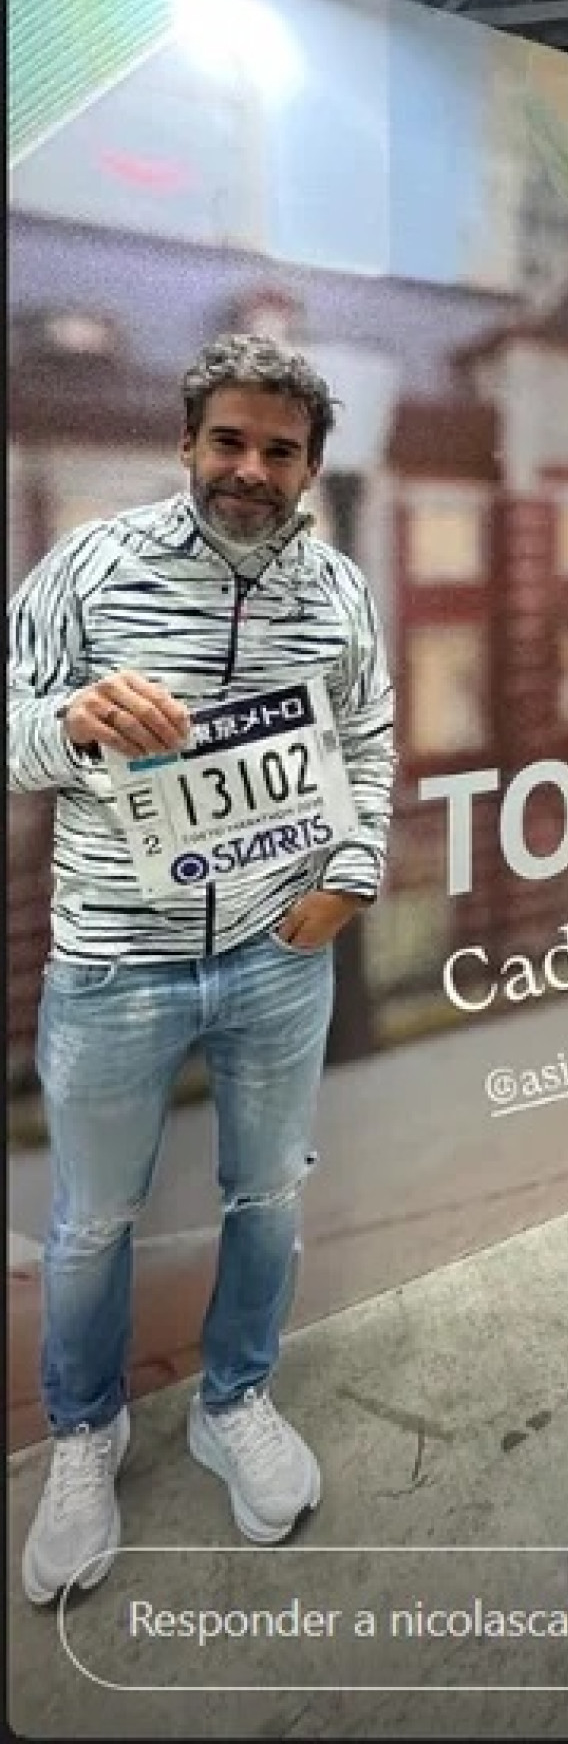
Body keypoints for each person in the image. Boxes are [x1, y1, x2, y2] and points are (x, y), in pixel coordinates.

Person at [8, 335, 396, 1605]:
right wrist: (67, 724)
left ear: (309, 465)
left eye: (279, 449)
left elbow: (373, 735)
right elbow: (8, 726)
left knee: (267, 1196)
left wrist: (351, 875)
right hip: (116, 963)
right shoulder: (91, 567)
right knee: (89, 1223)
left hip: (281, 956)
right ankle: (85, 1434)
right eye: (227, 440)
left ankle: (235, 1401)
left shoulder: (338, 591)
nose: (250, 467)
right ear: (186, 443)